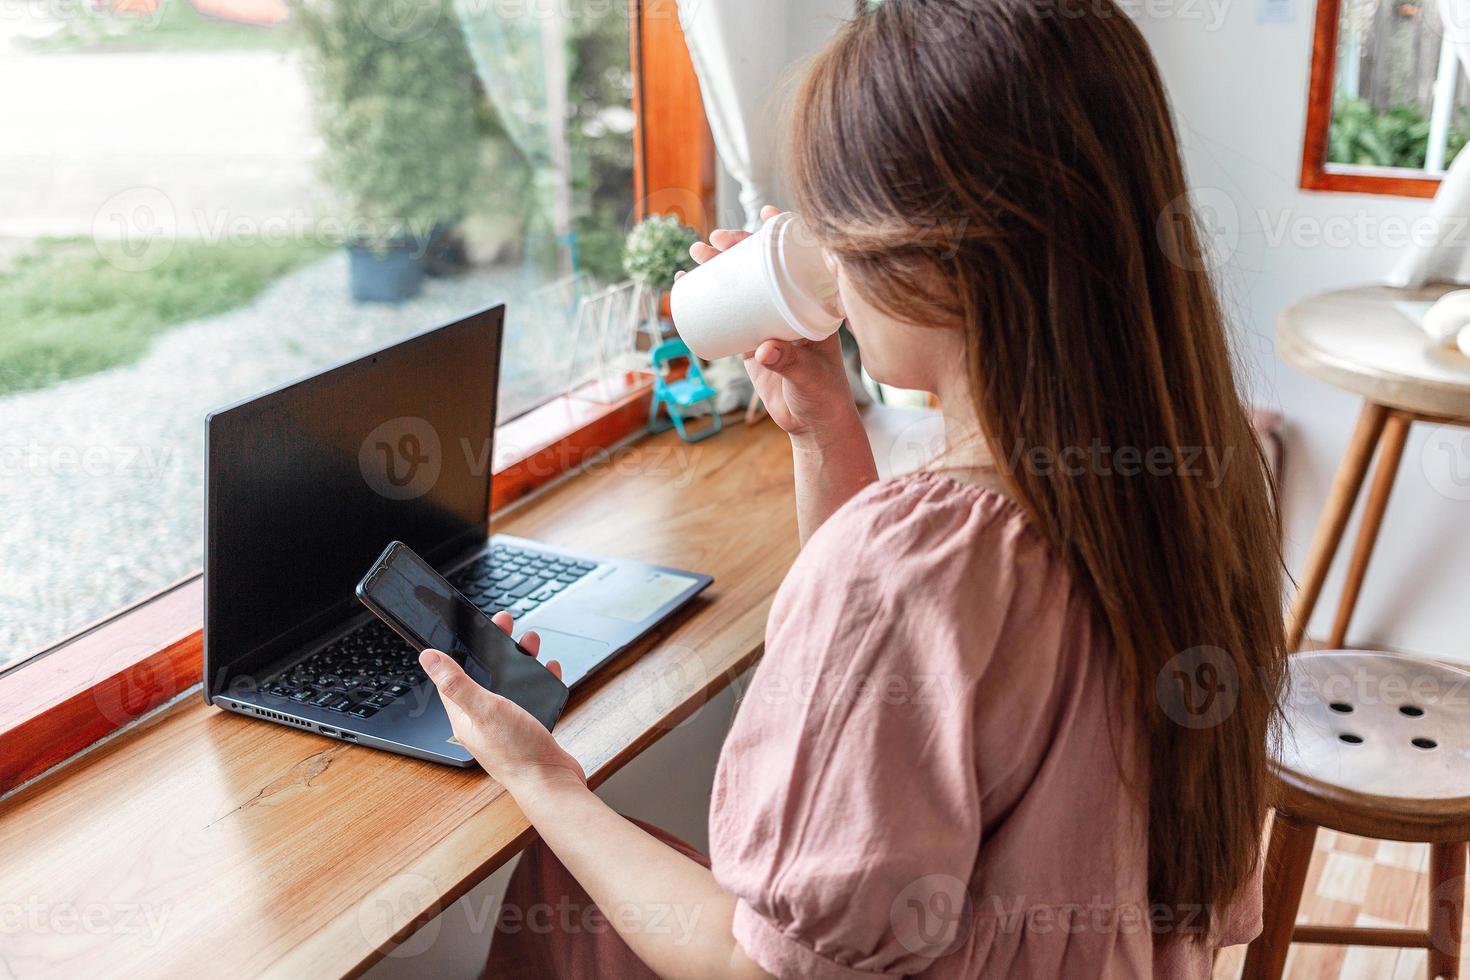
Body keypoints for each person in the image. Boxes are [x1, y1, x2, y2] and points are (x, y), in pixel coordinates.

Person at [417, 0, 1286, 975]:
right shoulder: (1198, 487)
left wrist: (543, 778)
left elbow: (760, 968)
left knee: (560, 873)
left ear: (940, 259)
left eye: (833, 219)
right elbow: (924, 674)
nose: (821, 251)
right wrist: (825, 428)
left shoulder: (923, 556)